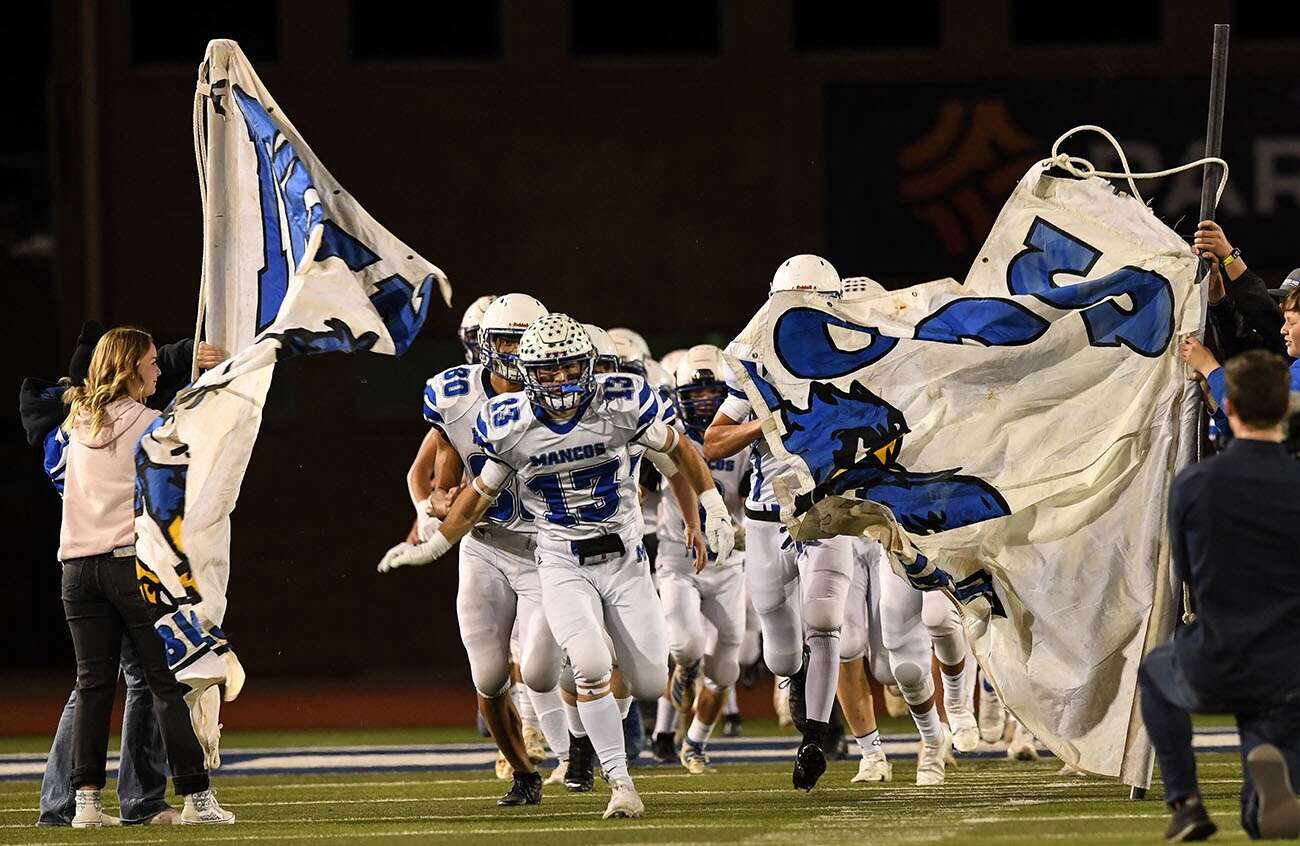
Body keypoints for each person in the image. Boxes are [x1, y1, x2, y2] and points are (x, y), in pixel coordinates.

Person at [380, 313, 735, 819]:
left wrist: (709, 508)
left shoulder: (621, 404)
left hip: (626, 558)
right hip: (560, 560)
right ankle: (619, 782)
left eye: (569, 369)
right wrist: (435, 545)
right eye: (548, 372)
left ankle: (602, 724)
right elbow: (478, 494)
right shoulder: (512, 423)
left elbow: (677, 450)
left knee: (652, 681)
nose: (561, 381)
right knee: (588, 665)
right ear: (529, 373)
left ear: (588, 366)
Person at [18, 322, 226, 827]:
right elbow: (190, 483)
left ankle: (85, 803)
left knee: (92, 687)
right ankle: (197, 798)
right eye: (153, 362)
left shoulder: (73, 423)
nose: (160, 369)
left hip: (75, 570)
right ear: (132, 369)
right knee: (164, 684)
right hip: (129, 566)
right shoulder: (153, 424)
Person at [384, 293, 569, 806]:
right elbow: (443, 476)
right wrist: (435, 507)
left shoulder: (564, 397)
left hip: (544, 546)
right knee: (488, 676)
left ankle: (580, 750)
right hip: (484, 546)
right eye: (502, 339)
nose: (510, 350)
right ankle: (524, 772)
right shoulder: (455, 393)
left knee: (538, 668)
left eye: (520, 339)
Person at [1138, 349, 1300, 841]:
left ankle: (1186, 803)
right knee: (1271, 757)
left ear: (1229, 410)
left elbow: (1185, 571)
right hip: (1292, 664)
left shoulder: (1194, 484)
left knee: (1155, 673)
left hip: (1219, 653)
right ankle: (1271, 783)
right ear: (1287, 411)